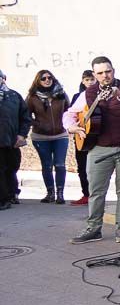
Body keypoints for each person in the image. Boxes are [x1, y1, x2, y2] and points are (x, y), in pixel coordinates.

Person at [64, 57, 120, 243]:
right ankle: (93, 228)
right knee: (96, 190)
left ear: (113, 70)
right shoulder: (89, 92)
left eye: (107, 71)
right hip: (99, 147)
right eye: (100, 73)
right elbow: (69, 113)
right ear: (94, 75)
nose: (104, 76)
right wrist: (71, 127)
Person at [25, 70, 69, 204]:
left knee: (60, 164)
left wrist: (66, 124)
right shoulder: (32, 97)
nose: (47, 80)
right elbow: (25, 115)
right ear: (38, 81)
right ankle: (50, 193)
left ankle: (60, 193)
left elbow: (69, 111)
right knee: (47, 165)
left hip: (60, 135)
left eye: (50, 77)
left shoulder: (61, 94)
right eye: (43, 78)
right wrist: (37, 123)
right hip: (40, 136)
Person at [0, 70, 32, 209]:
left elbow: (25, 118)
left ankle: (12, 194)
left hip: (11, 140)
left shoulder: (14, 96)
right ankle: (3, 199)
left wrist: (22, 135)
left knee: (12, 168)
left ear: (3, 79)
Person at [68, 70, 96, 205]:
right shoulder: (77, 96)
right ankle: (86, 193)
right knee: (82, 167)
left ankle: (95, 194)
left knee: (93, 167)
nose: (90, 82)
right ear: (82, 81)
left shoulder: (99, 95)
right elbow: (71, 114)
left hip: (95, 134)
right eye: (87, 80)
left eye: (92, 79)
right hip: (81, 135)